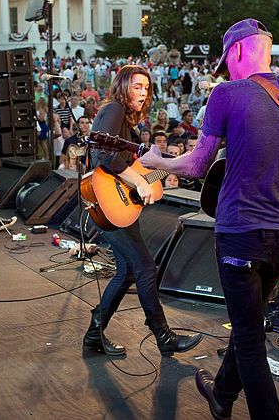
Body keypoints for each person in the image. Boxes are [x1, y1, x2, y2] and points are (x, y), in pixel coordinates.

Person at [140, 18, 279, 420]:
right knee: (249, 324)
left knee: (249, 340)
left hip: (239, 234)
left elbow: (197, 166)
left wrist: (157, 160)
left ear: (236, 52)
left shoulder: (226, 93)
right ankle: (222, 396)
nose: (225, 71)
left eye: (226, 62)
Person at [82, 65, 202, 358]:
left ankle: (94, 335)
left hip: (116, 204)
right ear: (123, 87)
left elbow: (134, 164)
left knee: (126, 272)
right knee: (146, 268)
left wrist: (171, 169)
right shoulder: (114, 109)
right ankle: (163, 336)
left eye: (146, 88)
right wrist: (138, 181)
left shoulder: (127, 123)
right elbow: (101, 154)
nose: (143, 92)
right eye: (137, 86)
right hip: (106, 197)